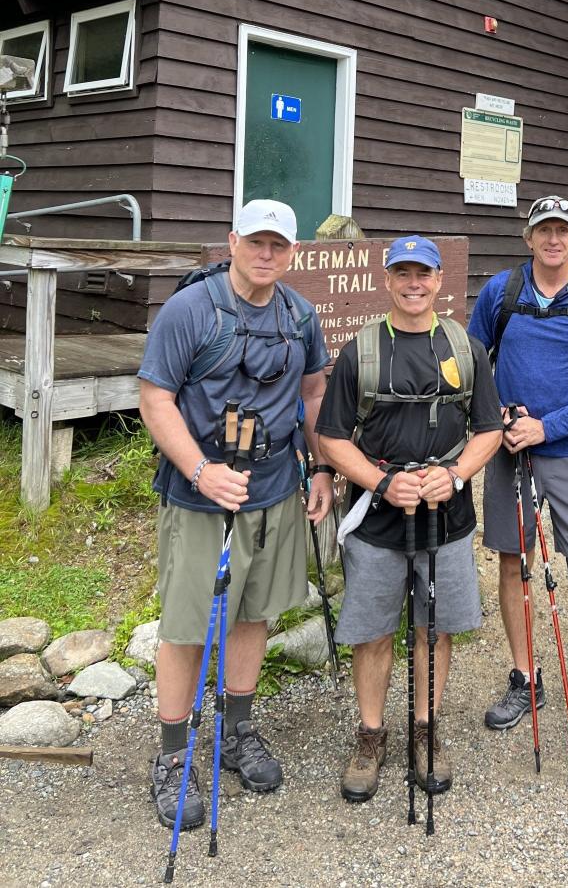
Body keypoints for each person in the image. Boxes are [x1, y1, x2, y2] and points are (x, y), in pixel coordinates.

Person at [138, 199, 333, 829]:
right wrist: (200, 470)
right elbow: (155, 398)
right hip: (199, 494)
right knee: (188, 624)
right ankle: (172, 757)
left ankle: (238, 729)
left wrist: (321, 466)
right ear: (233, 241)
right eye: (256, 242)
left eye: (278, 244)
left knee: (254, 614)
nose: (267, 254)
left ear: (293, 252)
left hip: (274, 488)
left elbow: (311, 394)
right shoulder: (189, 310)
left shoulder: (299, 317)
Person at [315, 235, 502, 803]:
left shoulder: (465, 348)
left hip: (447, 517)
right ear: (388, 279)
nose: (414, 284)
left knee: (434, 627)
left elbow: (488, 429)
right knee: (373, 632)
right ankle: (371, 735)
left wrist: (456, 475)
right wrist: (381, 483)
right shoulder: (361, 351)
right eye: (403, 274)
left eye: (424, 274)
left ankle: (426, 729)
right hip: (377, 518)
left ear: (440, 280)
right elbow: (330, 437)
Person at [468, 194, 568, 779]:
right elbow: (471, 358)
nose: (553, 239)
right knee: (514, 564)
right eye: (543, 230)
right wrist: (499, 416)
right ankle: (524, 677)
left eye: (563, 230)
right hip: (510, 451)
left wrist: (548, 425)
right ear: (529, 237)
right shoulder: (501, 292)